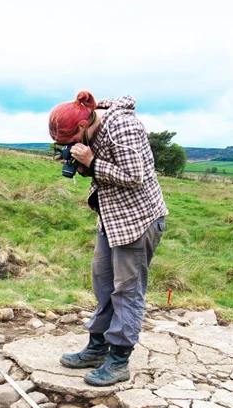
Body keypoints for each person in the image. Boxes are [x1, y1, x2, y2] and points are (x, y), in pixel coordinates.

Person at [48, 90, 168, 386]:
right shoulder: (89, 127)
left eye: (70, 142)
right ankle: (97, 347)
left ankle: (118, 360)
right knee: (102, 282)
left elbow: (134, 175)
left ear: (81, 127)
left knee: (126, 290)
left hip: (137, 220)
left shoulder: (123, 127)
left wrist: (92, 161)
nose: (70, 147)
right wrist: (82, 163)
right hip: (110, 216)